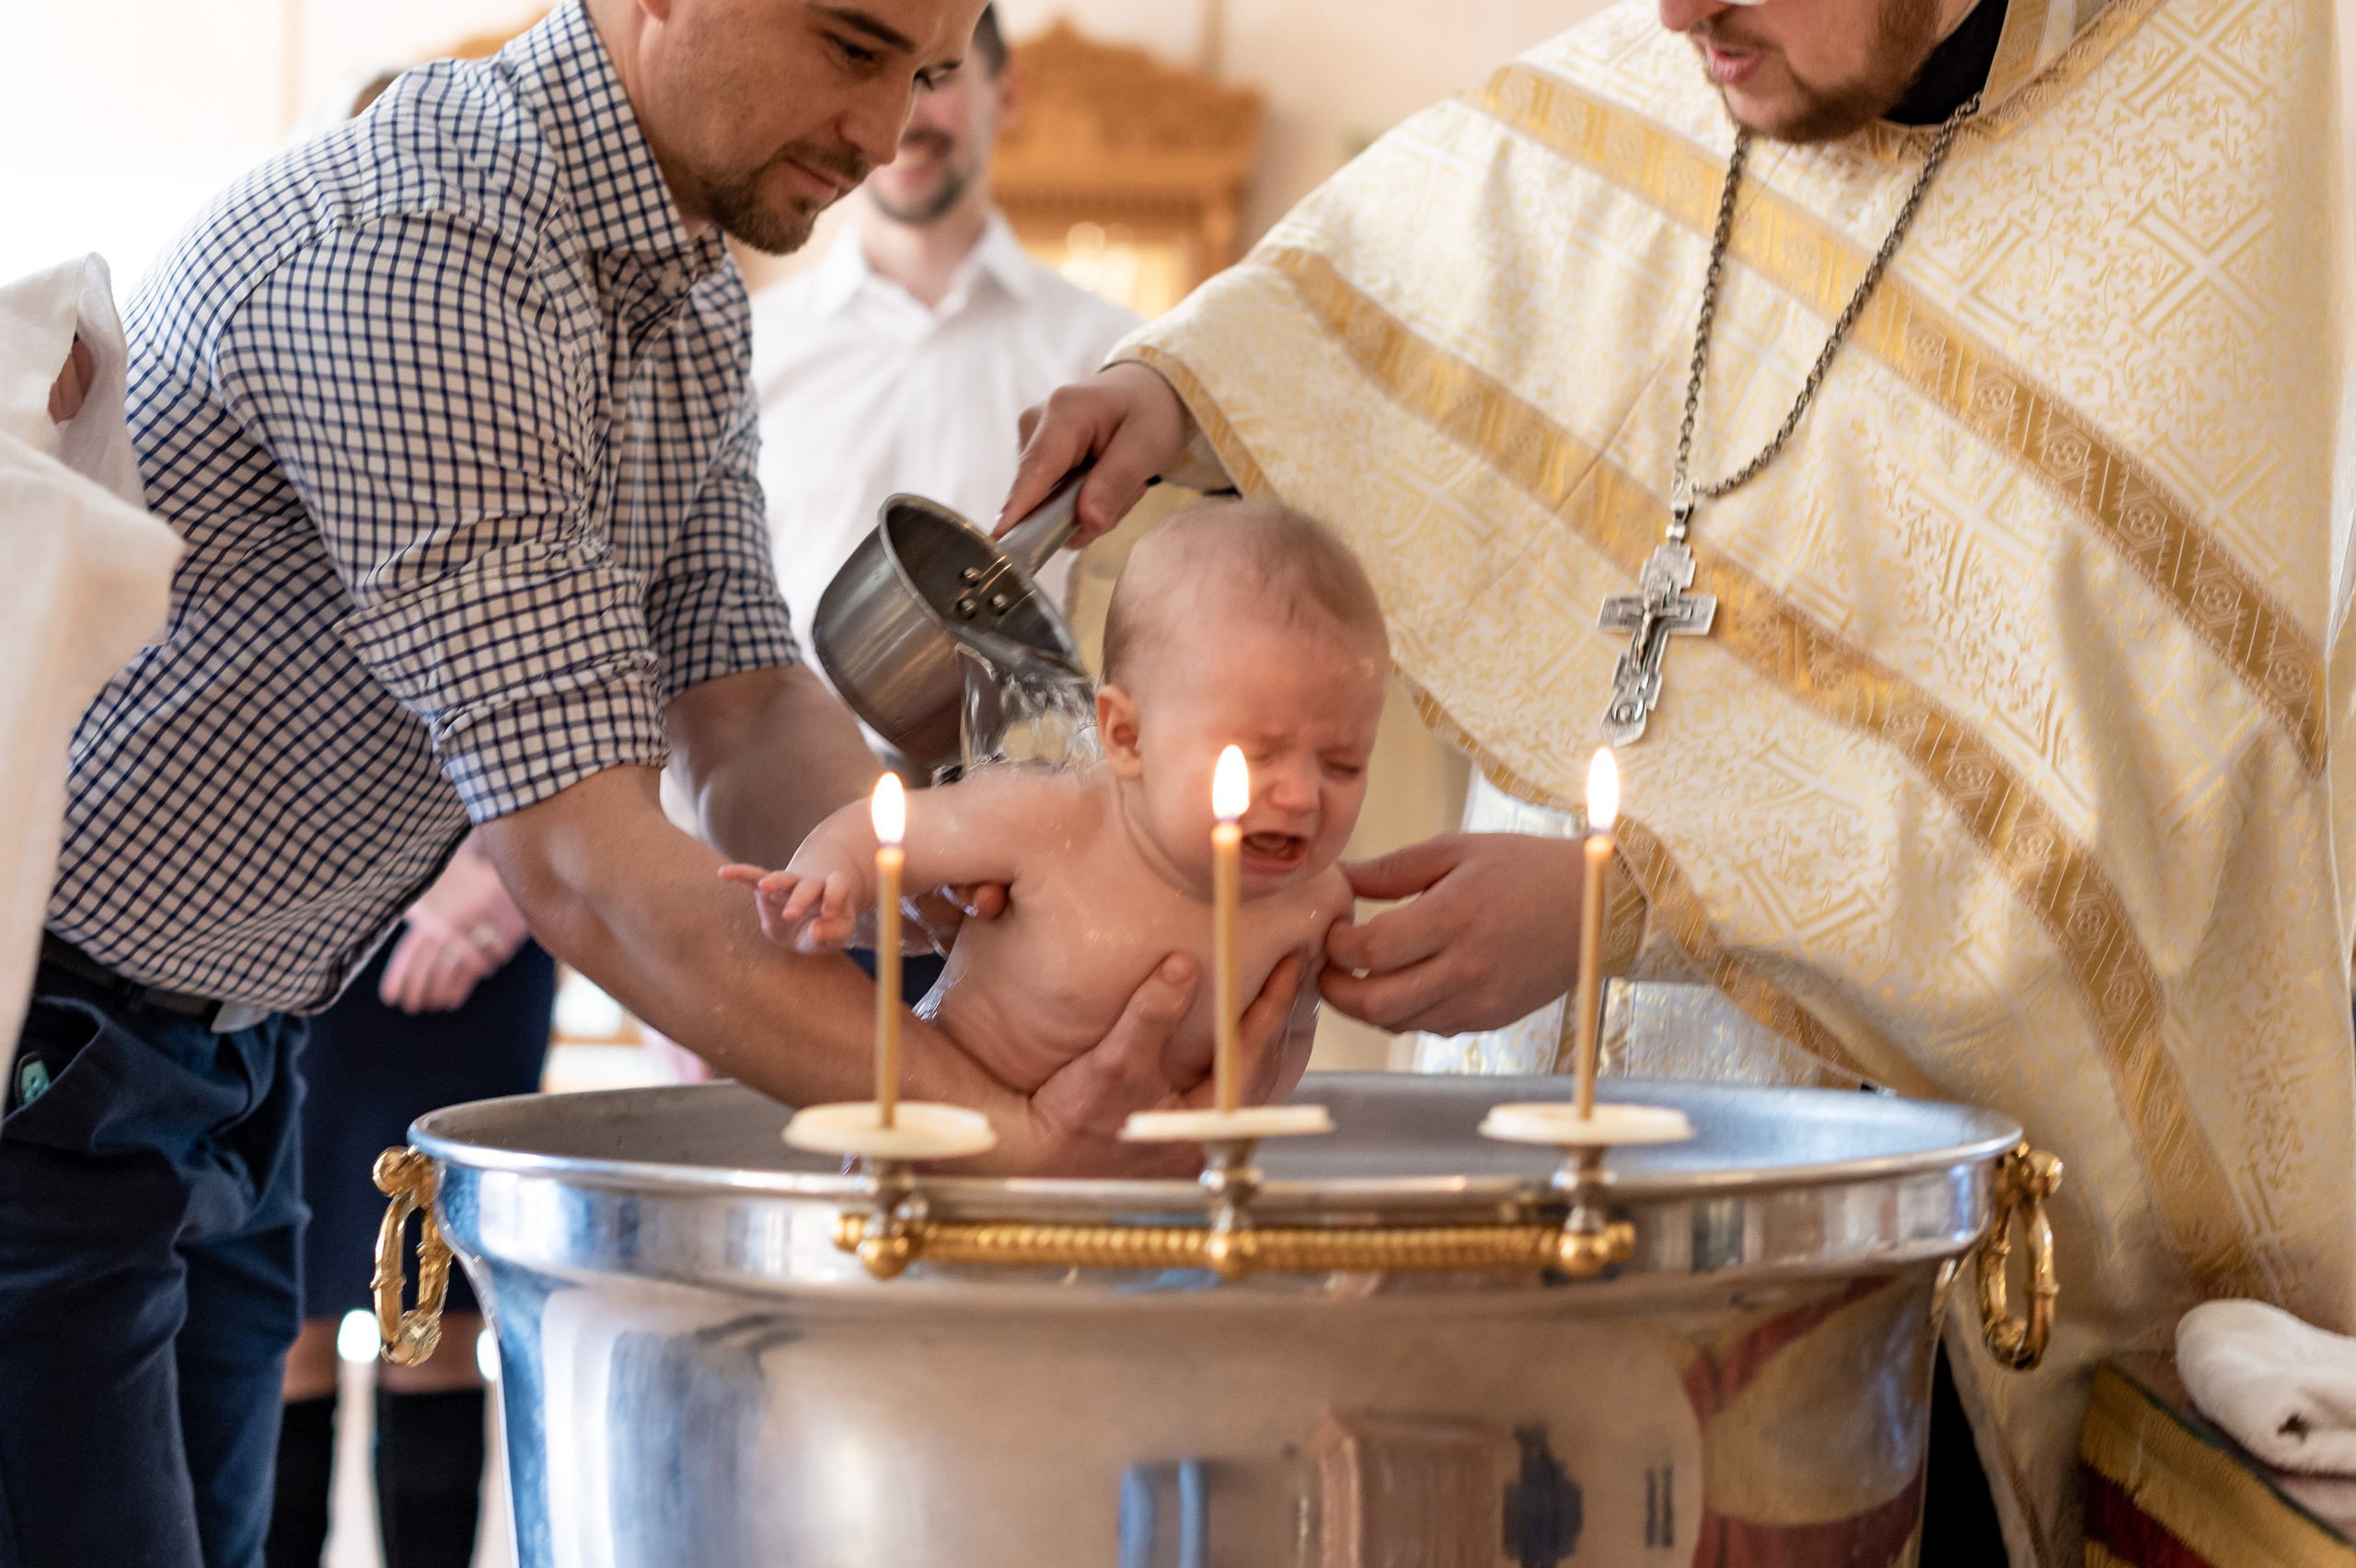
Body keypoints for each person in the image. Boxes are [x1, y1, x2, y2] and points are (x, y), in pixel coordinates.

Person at [997, 0, 2356, 1559]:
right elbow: (1447, 228)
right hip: (1522, 1197)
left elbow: (2152, 808)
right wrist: (1178, 386)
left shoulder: (2230, 125)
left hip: (1905, 1289)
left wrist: (1634, 892)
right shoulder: (1731, 52)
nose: (1677, 13)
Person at [0, 2, 1303, 1564]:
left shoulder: (676, 285)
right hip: (46, 1056)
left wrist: (1003, 903)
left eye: (926, 73)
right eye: (848, 46)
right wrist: (1013, 1142)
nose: (886, 130)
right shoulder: (428, 249)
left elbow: (745, 710)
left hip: (225, 1051)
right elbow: (586, 860)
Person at [728, 499, 1380, 1093]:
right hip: (951, 1161)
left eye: (1344, 764)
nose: (1300, 796)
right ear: (1125, 737)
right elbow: (882, 831)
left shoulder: (1317, 909)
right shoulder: (1048, 819)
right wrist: (827, 877)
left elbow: (1276, 1055)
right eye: (1256, 755)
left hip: (1151, 1194)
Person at [748, 3, 1138, 663]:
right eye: (867, 67)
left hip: (1034, 761)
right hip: (784, 760)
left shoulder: (1111, 357)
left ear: (1007, 92)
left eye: (934, 76)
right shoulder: (746, 345)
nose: (901, 115)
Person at [267, 837, 552, 1568]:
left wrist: (505, 893)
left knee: (437, 1304)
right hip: (305, 908)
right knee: (283, 1307)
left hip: (495, 893)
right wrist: (403, 869)